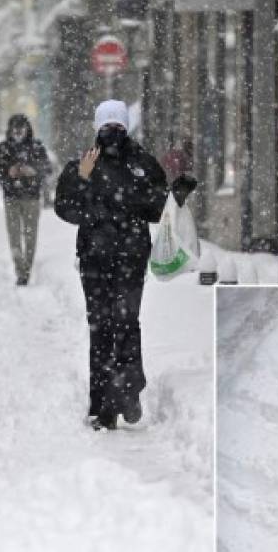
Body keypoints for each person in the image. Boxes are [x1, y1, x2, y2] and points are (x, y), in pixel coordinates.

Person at [55, 99, 195, 430]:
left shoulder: (144, 164)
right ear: (96, 128)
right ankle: (103, 406)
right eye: (106, 127)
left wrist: (176, 195)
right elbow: (66, 208)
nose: (112, 133)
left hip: (131, 257)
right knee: (101, 329)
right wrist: (82, 179)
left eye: (117, 127)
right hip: (94, 259)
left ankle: (129, 392)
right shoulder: (83, 164)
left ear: (126, 128)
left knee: (127, 323)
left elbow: (158, 210)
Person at [0, 114, 51, 286]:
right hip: (11, 198)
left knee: (31, 236)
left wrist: (33, 170)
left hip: (32, 198)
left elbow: (47, 168)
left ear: (27, 129)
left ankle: (27, 268)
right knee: (14, 235)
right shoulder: (3, 148)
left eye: (21, 128)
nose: (18, 132)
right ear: (10, 130)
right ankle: (20, 271)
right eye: (15, 129)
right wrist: (8, 171)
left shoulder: (37, 146)